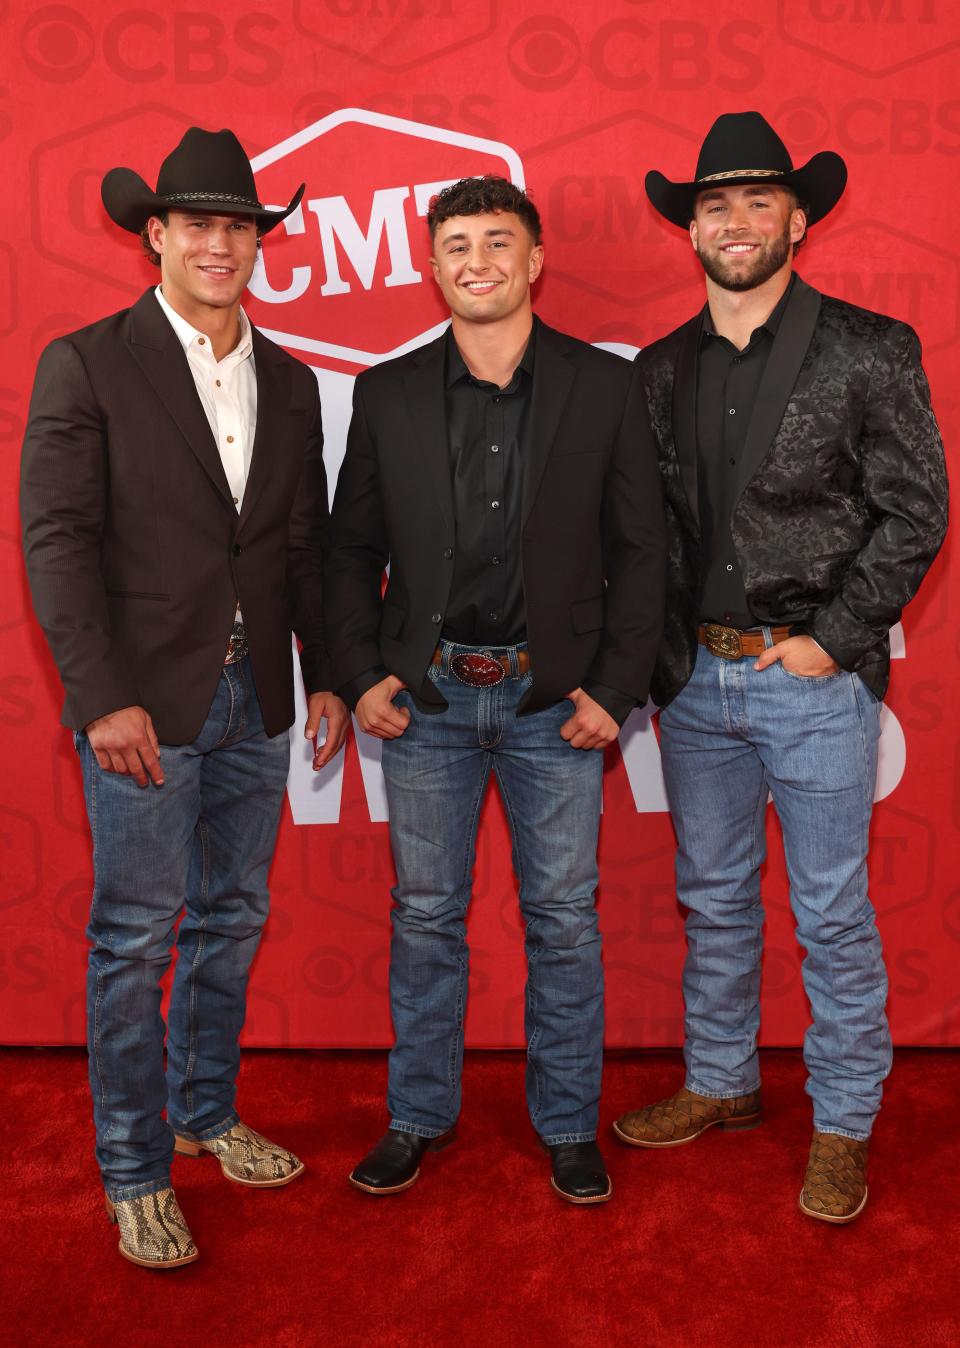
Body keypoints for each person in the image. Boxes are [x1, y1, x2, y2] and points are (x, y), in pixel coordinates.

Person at [20, 127, 348, 1268]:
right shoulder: (88, 361)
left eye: (239, 226)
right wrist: (101, 696)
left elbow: (299, 543)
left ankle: (205, 1114)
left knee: (234, 918)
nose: (221, 244)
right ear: (154, 236)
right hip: (143, 705)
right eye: (197, 224)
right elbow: (55, 541)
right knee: (132, 938)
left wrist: (329, 673)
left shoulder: (295, 380)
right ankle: (133, 1169)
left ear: (261, 244)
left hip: (258, 701)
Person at [613, 112, 947, 1223]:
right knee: (712, 900)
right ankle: (723, 1081)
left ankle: (845, 1122)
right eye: (716, 205)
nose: (737, 222)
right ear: (691, 229)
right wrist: (658, 665)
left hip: (813, 681)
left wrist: (834, 639)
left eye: (760, 201)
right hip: (695, 688)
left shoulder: (869, 346)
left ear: (799, 219)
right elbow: (644, 531)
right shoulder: (657, 370)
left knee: (831, 912)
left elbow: (917, 511)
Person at [325, 176, 665, 1204]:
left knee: (564, 919)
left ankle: (567, 1124)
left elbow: (641, 554)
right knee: (425, 915)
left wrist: (616, 686)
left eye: (498, 241)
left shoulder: (605, 390)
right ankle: (419, 1116)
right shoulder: (385, 393)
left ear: (536, 257)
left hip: (552, 706)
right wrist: (360, 671)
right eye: (457, 243)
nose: (477, 259)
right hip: (424, 701)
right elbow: (349, 550)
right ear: (432, 264)